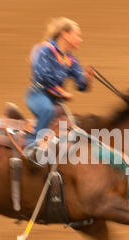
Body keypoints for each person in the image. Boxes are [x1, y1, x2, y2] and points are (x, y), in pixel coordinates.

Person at [23, 17, 95, 165]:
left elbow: (81, 85)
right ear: (65, 35)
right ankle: (31, 146)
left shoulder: (70, 60)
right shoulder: (45, 50)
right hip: (38, 94)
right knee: (47, 111)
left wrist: (87, 78)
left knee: (73, 124)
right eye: (77, 35)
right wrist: (61, 92)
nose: (80, 39)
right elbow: (42, 76)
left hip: (55, 100)